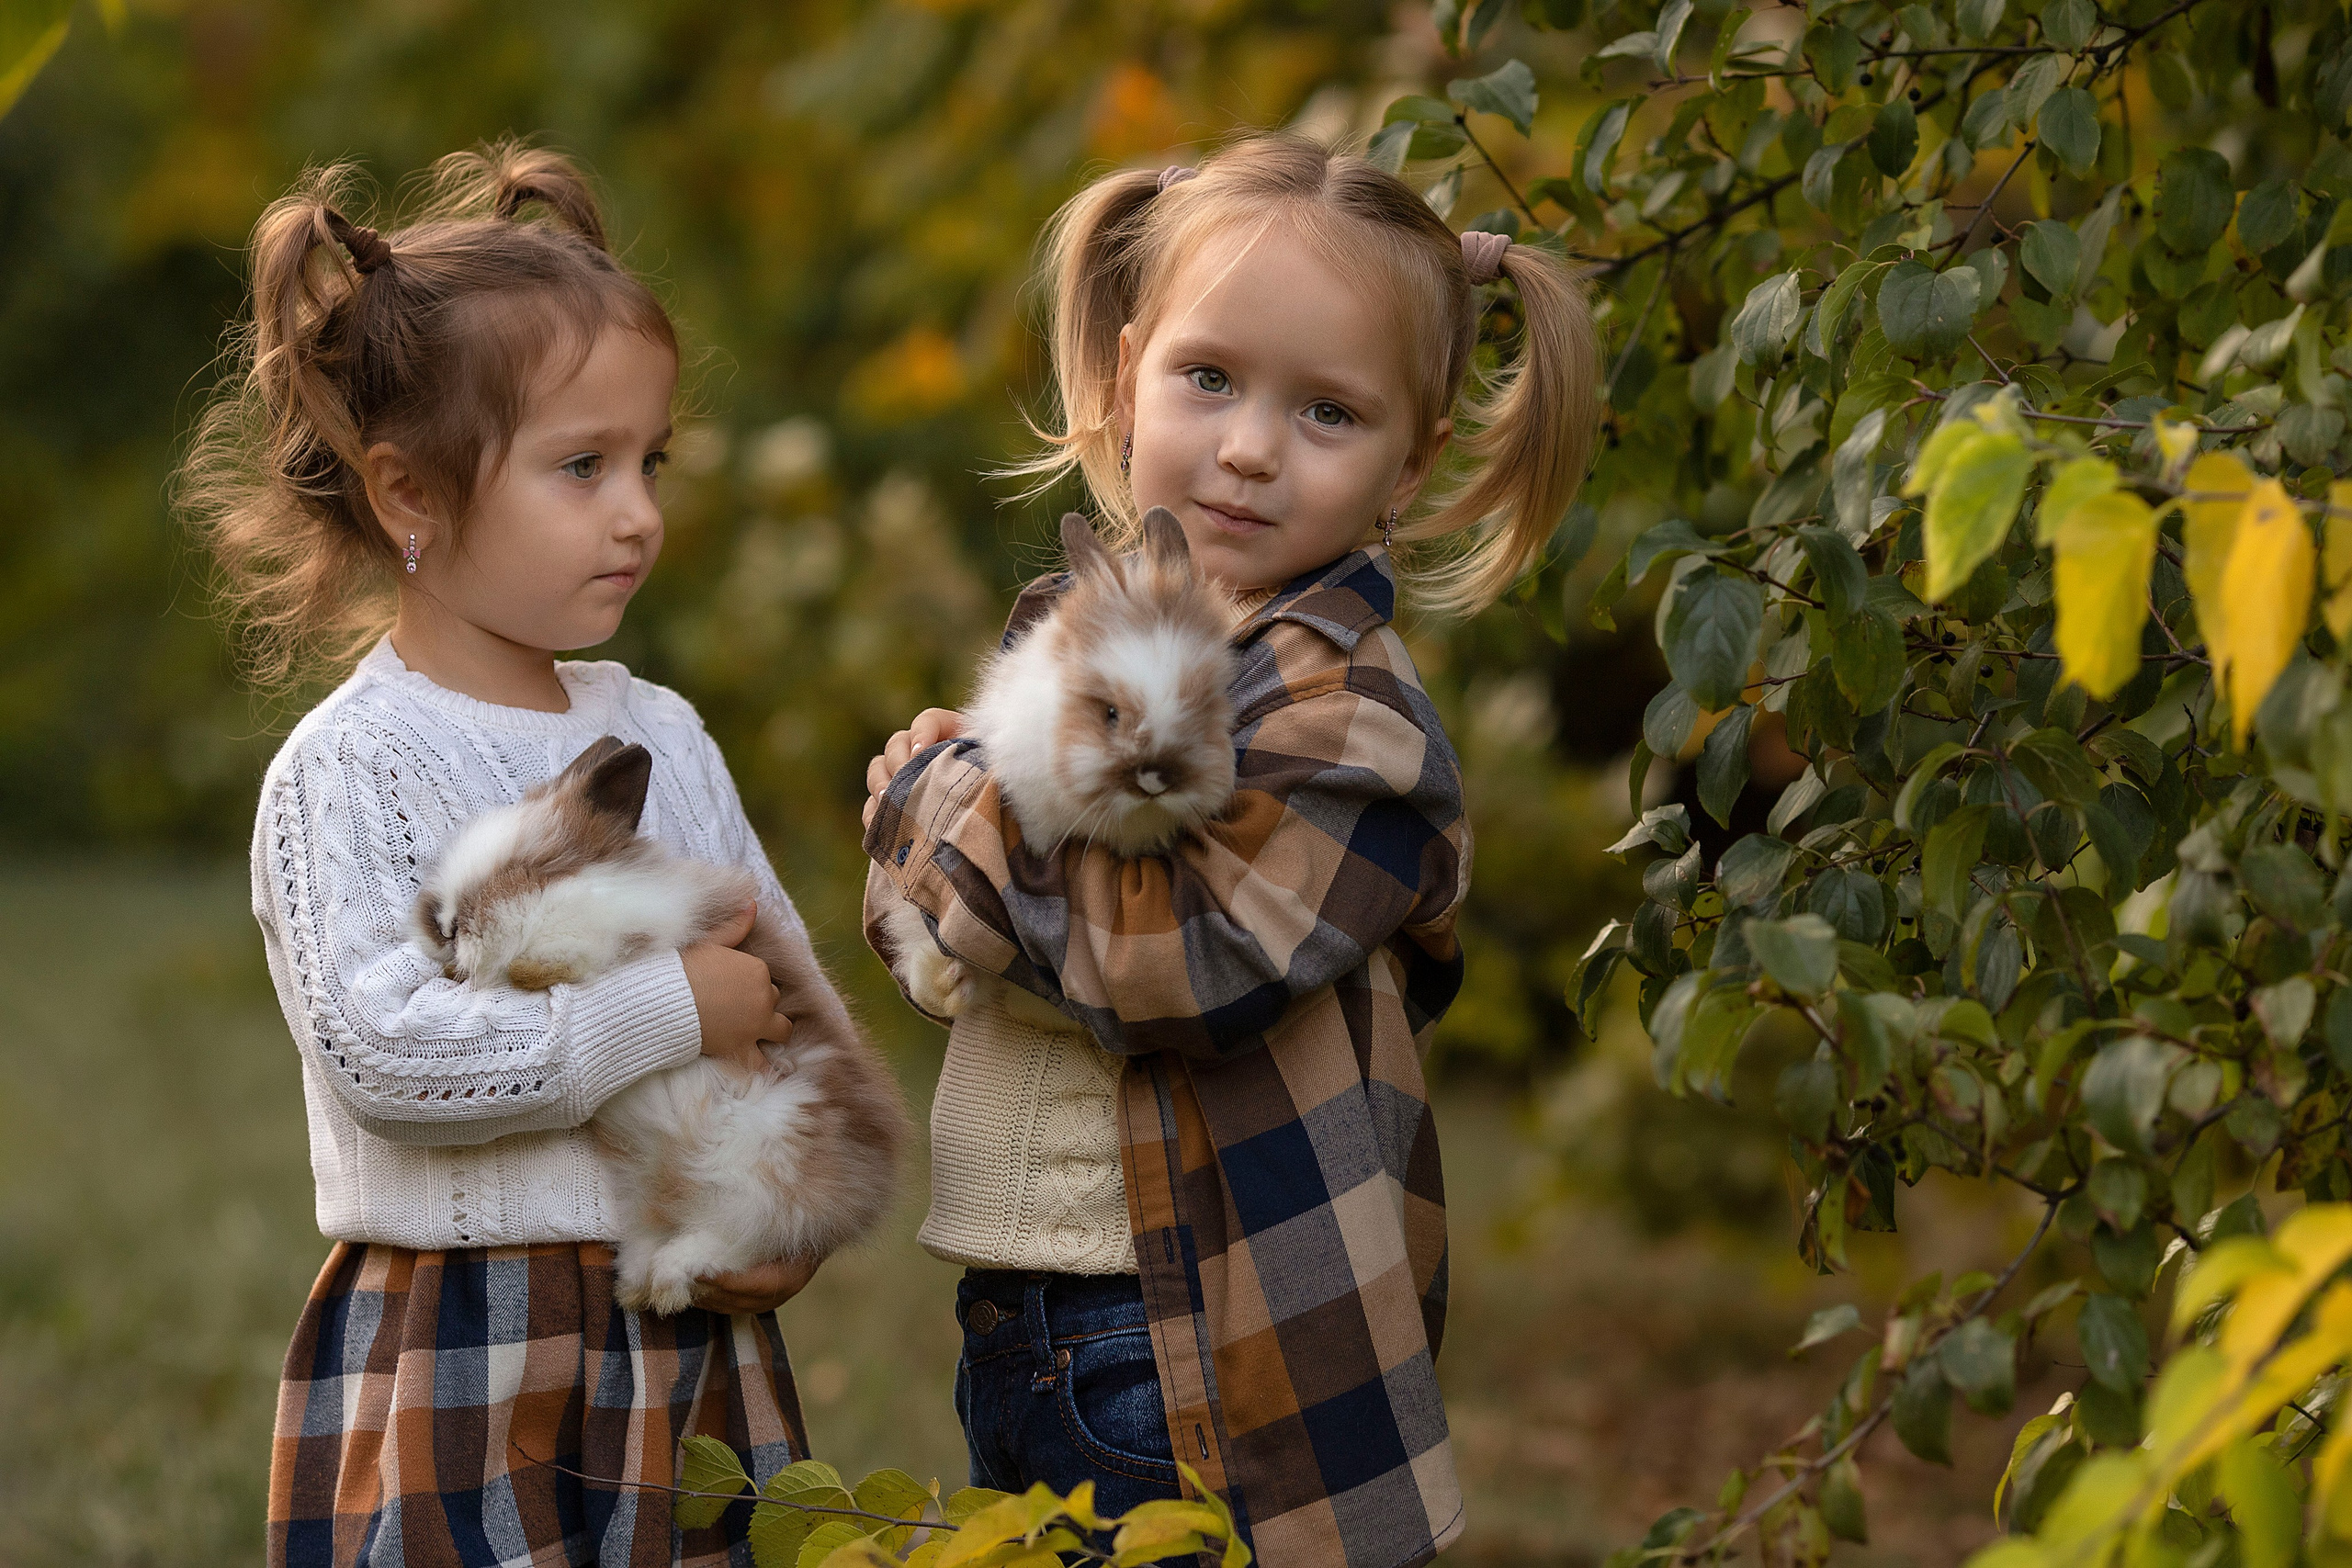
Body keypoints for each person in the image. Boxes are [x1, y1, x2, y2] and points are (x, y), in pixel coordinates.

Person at [860, 131, 1598, 1568]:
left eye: (1327, 412)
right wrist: (967, 850)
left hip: (1194, 1345)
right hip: (1023, 1313)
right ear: (1129, 374)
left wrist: (934, 801)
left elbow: (1164, 960)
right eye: (1210, 379)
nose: (1252, 447)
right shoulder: (1088, 627)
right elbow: (931, 950)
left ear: (1410, 460)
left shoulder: (1348, 724)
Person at [183, 141, 820, 1567]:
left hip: (685, 1327)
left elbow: (776, 985)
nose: (639, 510)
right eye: (581, 467)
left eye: (650, 461)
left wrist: (792, 1205)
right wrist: (665, 1008)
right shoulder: (349, 770)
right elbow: (390, 1054)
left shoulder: (666, 732)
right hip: (467, 1335)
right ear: (411, 496)